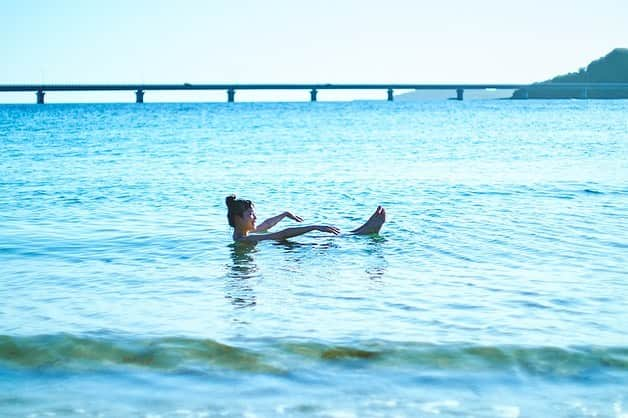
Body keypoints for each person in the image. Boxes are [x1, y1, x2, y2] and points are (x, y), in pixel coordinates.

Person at [226, 194, 386, 243]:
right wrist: (314, 226)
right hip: (280, 247)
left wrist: (284, 214)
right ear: (238, 218)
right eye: (250, 215)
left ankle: (359, 232)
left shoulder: (245, 232)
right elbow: (280, 234)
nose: (255, 218)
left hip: (279, 245)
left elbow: (267, 224)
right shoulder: (243, 240)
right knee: (315, 236)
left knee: (317, 237)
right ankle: (362, 233)